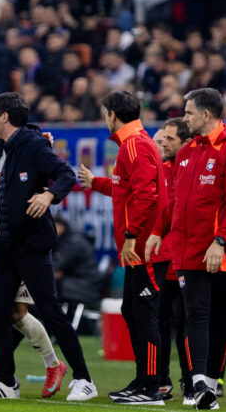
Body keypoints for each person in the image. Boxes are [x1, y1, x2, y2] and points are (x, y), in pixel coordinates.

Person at [0, 92, 97, 401]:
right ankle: (6, 383)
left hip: (33, 245)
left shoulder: (34, 146)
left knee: (51, 312)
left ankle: (84, 379)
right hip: (5, 244)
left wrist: (49, 195)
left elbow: (65, 174)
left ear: (5, 118)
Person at [159, 88, 226, 410]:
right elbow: (176, 202)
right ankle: (198, 385)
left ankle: (211, 385)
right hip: (187, 252)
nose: (184, 118)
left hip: (222, 252)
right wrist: (161, 233)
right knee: (194, 316)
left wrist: (220, 241)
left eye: (188, 113)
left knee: (217, 321)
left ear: (206, 115)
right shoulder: (187, 151)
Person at [0, 106, 67, 398]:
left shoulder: (15, 151)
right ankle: (4, 377)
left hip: (15, 240)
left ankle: (49, 364)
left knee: (16, 310)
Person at [77, 91, 167, 405]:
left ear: (113, 114)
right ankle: (143, 380)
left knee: (145, 315)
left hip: (141, 249)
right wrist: (96, 183)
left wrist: (130, 236)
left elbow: (146, 195)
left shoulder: (136, 145)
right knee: (132, 310)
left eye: (105, 113)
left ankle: (152, 386)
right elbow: (125, 187)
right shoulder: (134, 144)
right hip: (136, 248)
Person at [145, 117, 195, 405]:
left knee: (187, 324)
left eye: (167, 140)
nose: (162, 144)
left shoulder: (189, 169)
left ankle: (193, 383)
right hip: (164, 260)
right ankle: (161, 380)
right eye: (160, 140)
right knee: (161, 322)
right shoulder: (160, 169)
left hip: (188, 259)